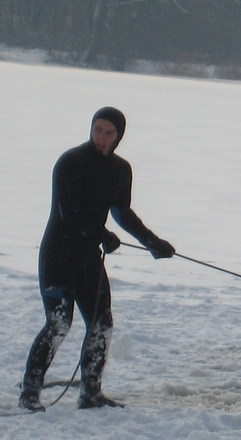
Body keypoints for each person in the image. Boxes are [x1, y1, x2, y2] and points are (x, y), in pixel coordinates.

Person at [18, 107, 175, 412]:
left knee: (102, 325)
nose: (102, 137)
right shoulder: (71, 162)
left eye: (109, 133)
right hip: (59, 255)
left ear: (119, 136)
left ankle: (91, 392)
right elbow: (69, 212)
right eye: (98, 130)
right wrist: (102, 234)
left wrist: (152, 241)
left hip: (89, 257)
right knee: (59, 324)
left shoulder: (120, 169)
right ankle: (29, 392)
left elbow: (122, 212)